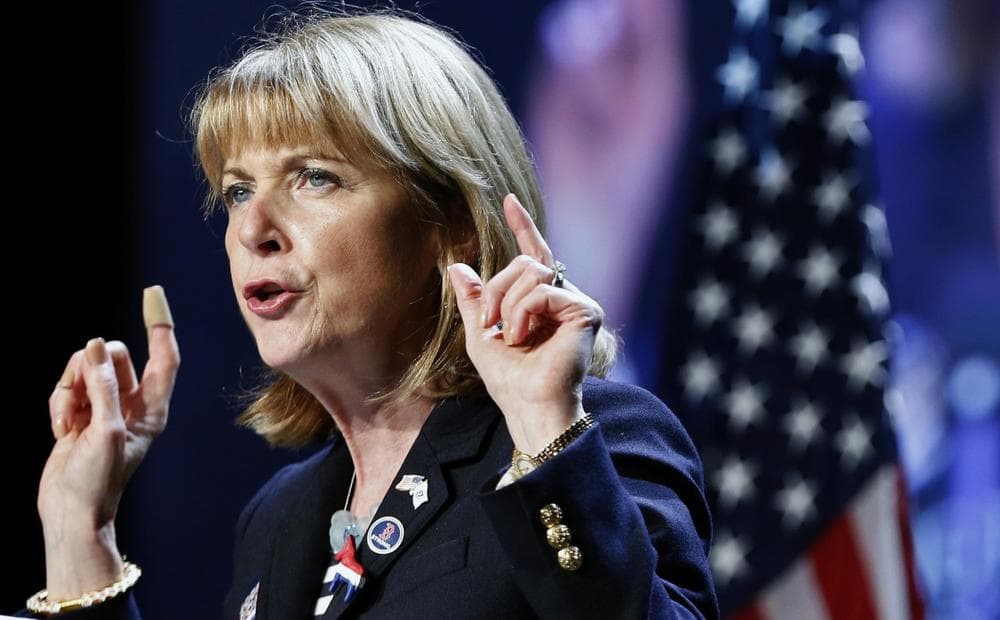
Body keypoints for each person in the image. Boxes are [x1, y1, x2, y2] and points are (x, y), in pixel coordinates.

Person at [26, 9, 717, 619]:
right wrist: (79, 530)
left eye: (313, 178)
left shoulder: (597, 439)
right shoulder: (279, 515)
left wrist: (545, 434)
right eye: (237, 191)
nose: (251, 229)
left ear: (450, 226)